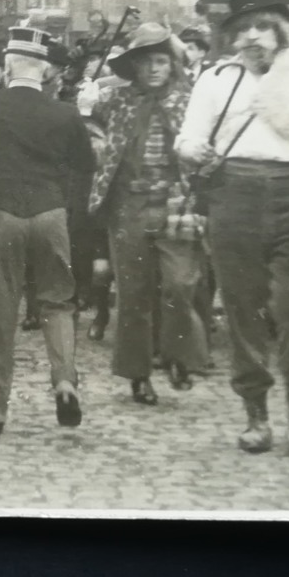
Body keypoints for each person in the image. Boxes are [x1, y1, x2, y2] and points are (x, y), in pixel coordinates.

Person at [175, 0, 289, 455]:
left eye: (262, 27)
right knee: (241, 308)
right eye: (243, 29)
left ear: (280, 32)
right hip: (234, 195)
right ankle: (256, 414)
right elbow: (188, 136)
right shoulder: (216, 80)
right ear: (230, 37)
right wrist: (192, 150)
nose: (252, 37)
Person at [0, 26, 96, 438]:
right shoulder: (65, 113)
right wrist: (64, 207)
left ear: (8, 66)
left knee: (3, 304)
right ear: (46, 70)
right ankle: (65, 379)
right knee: (58, 301)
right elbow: (85, 168)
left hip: (3, 214)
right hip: (51, 214)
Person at [86, 24, 209, 406]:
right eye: (146, 62)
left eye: (161, 61)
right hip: (128, 206)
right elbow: (86, 123)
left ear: (172, 65)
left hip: (177, 200)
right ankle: (138, 375)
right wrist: (91, 128)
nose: (154, 69)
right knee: (134, 293)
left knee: (179, 285)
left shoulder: (190, 101)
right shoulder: (116, 100)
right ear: (134, 66)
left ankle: (177, 355)